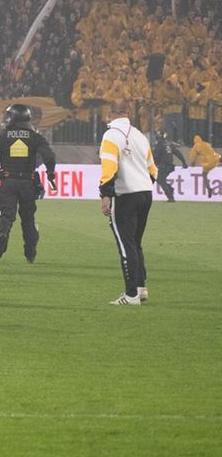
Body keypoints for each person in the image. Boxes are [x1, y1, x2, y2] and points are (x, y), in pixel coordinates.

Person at [0, 104, 57, 262]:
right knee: (28, 219)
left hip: (8, 181)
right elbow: (49, 156)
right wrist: (50, 174)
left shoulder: (3, 136)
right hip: (28, 182)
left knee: (6, 214)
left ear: (12, 118)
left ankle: (2, 234)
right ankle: (30, 253)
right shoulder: (34, 136)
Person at [98, 101, 156, 305]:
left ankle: (131, 294)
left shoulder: (110, 136)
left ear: (109, 113)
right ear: (129, 113)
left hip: (126, 195)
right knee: (135, 242)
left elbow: (108, 167)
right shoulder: (140, 136)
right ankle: (141, 287)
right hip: (145, 193)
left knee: (126, 245)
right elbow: (153, 170)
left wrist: (105, 194)